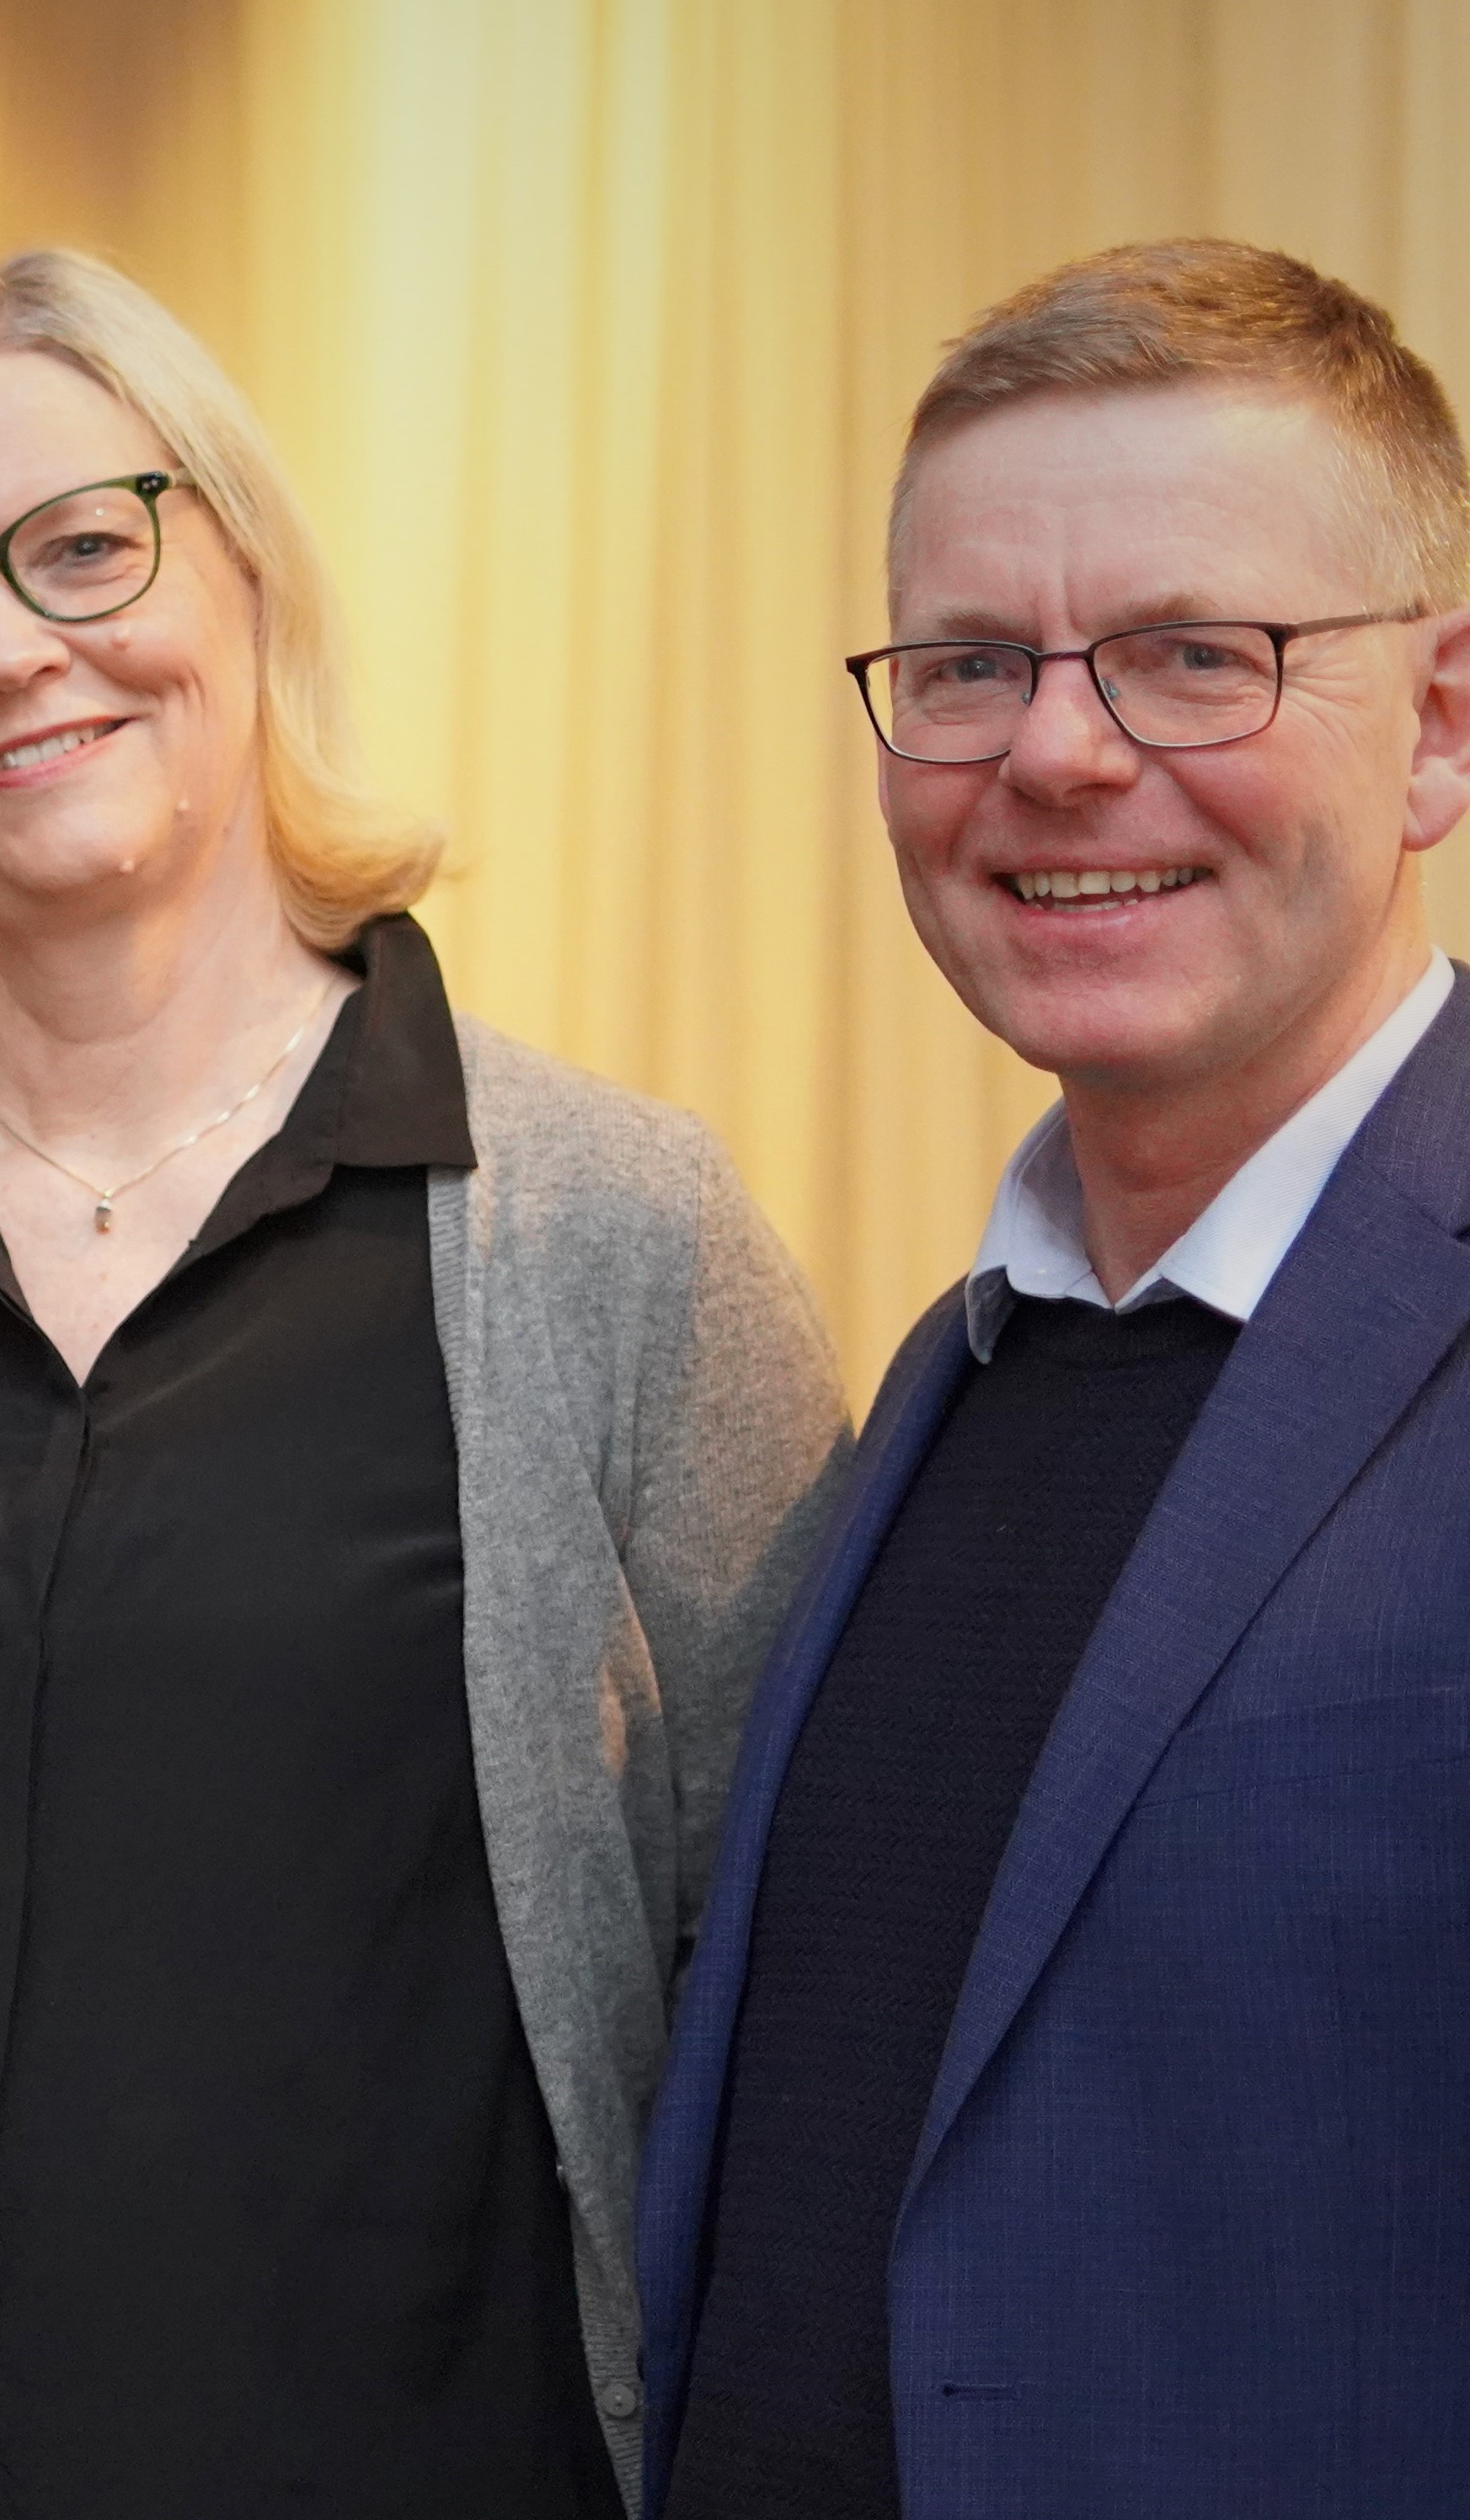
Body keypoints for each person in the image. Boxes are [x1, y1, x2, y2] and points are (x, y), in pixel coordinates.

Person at [0, 248, 847, 2519]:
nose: (5, 650)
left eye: (83, 545)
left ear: (242, 563)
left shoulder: (613, 1236)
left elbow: (785, 1992)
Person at [640, 238, 1470, 2518]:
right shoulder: (955, 1373)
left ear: (1437, 726)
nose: (1056, 752)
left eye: (1195, 656)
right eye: (968, 664)